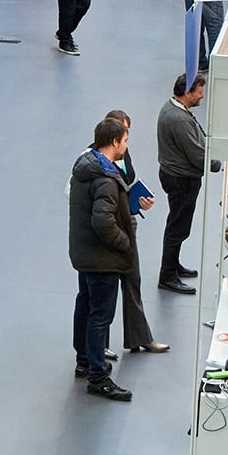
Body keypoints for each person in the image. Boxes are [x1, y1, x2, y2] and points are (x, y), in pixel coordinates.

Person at [68, 115, 134, 401]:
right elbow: (104, 222)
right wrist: (125, 244)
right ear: (115, 142)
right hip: (102, 258)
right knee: (100, 315)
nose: (127, 146)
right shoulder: (106, 179)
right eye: (125, 141)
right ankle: (98, 377)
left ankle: (84, 360)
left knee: (85, 304)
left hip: (84, 253)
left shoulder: (85, 166)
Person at [106, 110, 169, 355]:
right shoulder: (97, 161)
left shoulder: (124, 153)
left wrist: (139, 201)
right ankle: (100, 346)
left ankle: (139, 337)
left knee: (133, 281)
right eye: (123, 133)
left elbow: (127, 184)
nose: (127, 138)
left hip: (127, 225)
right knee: (105, 291)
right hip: (112, 232)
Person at [156, 73, 210, 293]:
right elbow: (197, 155)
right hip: (182, 179)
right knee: (177, 227)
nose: (202, 96)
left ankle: (173, 265)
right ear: (187, 92)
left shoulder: (174, 110)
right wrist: (216, 162)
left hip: (175, 175)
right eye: (199, 92)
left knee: (177, 224)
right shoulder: (179, 120)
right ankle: (167, 276)